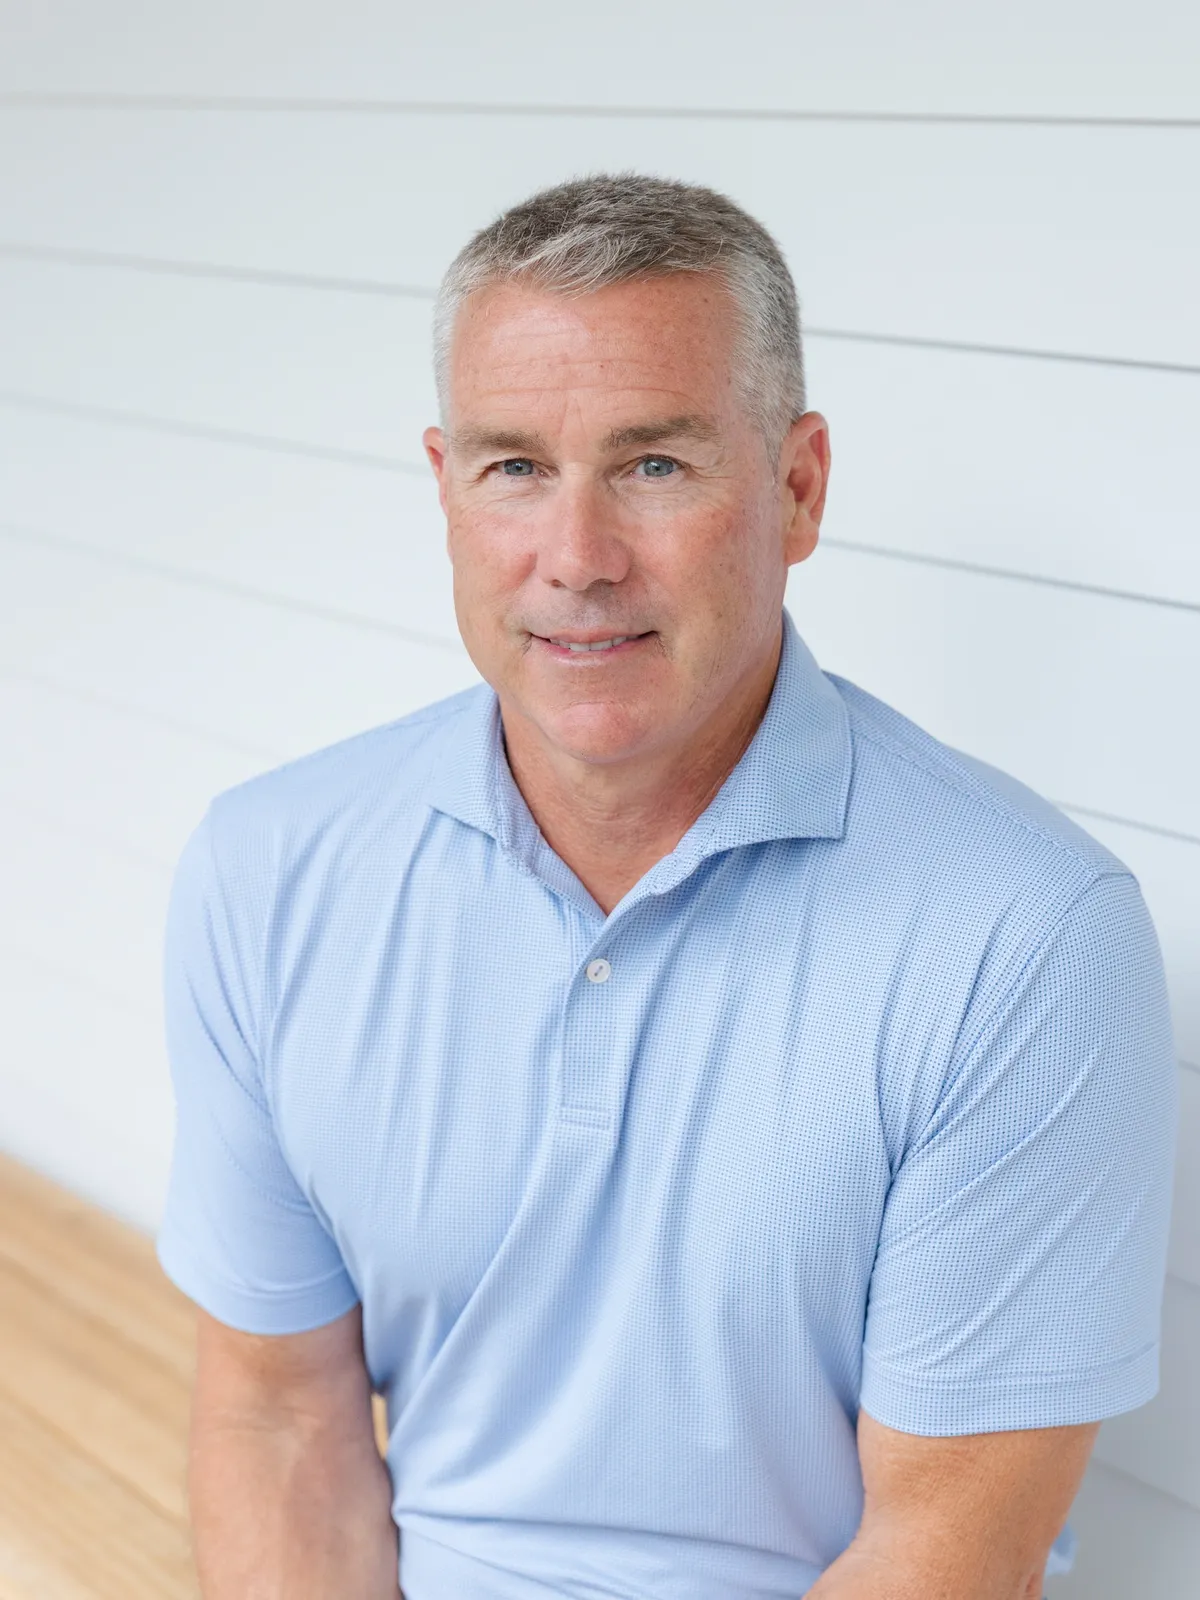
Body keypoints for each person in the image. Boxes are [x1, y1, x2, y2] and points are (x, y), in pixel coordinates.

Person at [157, 175, 1177, 1600]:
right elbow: (279, 1420)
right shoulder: (271, 869)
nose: (577, 560)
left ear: (799, 488)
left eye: (653, 465)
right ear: (446, 487)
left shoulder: (1024, 935)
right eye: (516, 468)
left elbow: (951, 1545)